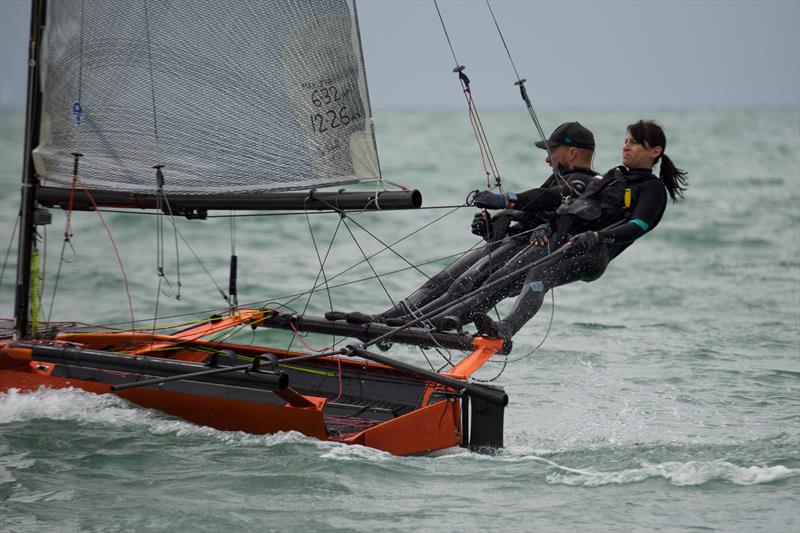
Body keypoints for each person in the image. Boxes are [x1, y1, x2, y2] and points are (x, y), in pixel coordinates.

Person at [424, 119, 688, 340]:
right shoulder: (614, 176)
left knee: (539, 273)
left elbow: (637, 226)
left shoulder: (653, 189)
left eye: (634, 142)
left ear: (655, 151)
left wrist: (598, 237)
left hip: (595, 254)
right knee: (506, 273)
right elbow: (576, 207)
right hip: (572, 244)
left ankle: (504, 330)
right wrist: (547, 227)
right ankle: (451, 318)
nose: (626, 146)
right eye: (626, 140)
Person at [328, 121, 601, 327]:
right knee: (442, 280)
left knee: (468, 281)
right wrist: (491, 226)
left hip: (528, 249)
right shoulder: (560, 177)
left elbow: (544, 200)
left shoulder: (584, 182)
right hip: (512, 242)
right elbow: (536, 213)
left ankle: (422, 322)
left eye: (552, 151)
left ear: (573, 152)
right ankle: (385, 318)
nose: (547, 158)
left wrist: (505, 200)